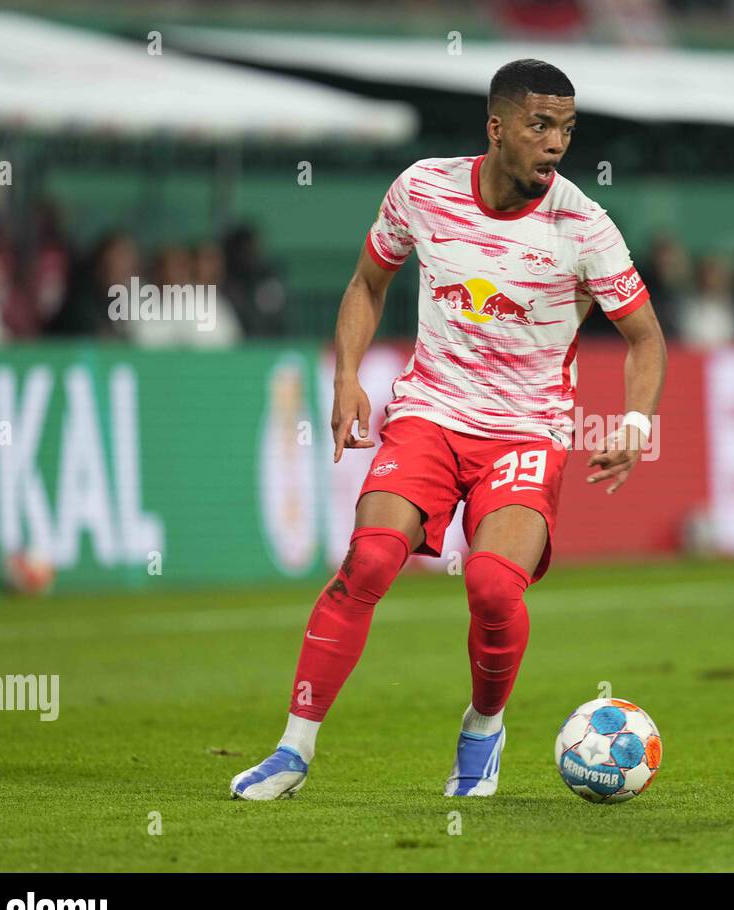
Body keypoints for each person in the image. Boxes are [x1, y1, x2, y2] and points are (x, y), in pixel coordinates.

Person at [232, 59, 667, 801]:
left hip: (527, 430)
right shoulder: (423, 189)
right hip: (431, 414)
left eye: (566, 128)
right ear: (496, 127)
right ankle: (293, 749)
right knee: (369, 562)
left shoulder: (584, 226)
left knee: (495, 586)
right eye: (540, 125)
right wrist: (345, 377)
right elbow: (369, 282)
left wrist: (632, 423)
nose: (556, 143)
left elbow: (647, 339)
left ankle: (483, 728)